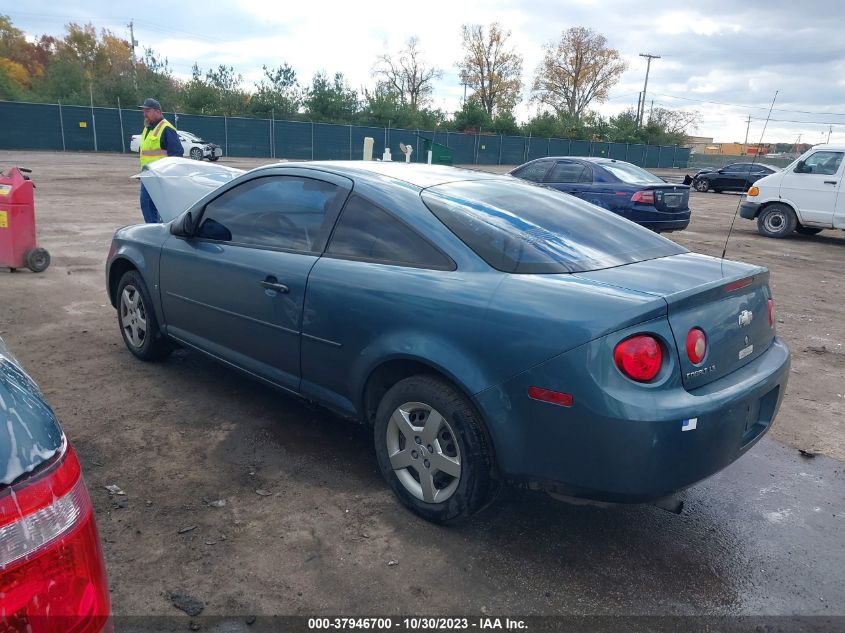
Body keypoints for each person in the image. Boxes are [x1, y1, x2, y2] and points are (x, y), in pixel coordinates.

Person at [137, 98, 183, 223]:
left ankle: (155, 232)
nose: (144, 114)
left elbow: (177, 154)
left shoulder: (166, 128)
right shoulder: (147, 128)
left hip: (159, 178)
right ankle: (154, 230)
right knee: (147, 206)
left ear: (157, 111)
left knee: (153, 207)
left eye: (147, 111)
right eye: (143, 111)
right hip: (147, 175)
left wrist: (169, 176)